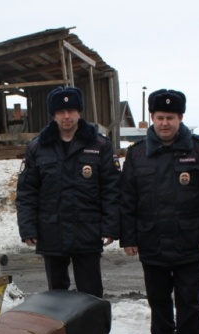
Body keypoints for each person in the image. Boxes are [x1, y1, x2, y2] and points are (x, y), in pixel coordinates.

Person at [119, 89, 199, 334]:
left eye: (171, 118)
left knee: (189, 300)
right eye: (160, 117)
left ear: (181, 118)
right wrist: (129, 237)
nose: (165, 123)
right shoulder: (137, 153)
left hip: (190, 240)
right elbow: (128, 198)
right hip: (151, 239)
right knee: (159, 299)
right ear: (151, 118)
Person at [16, 86, 121, 300]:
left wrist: (110, 226)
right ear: (53, 114)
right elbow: (27, 191)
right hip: (51, 231)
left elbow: (111, 189)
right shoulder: (37, 148)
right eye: (61, 112)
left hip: (88, 230)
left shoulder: (99, 145)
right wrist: (28, 227)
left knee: (90, 294)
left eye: (71, 110)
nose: (66, 116)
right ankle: (59, 333)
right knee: (56, 294)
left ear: (79, 112)